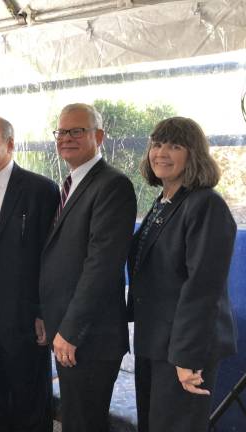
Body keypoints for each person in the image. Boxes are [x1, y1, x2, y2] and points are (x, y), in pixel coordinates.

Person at [128, 116, 237, 432]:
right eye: (157, 144)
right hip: (155, 340)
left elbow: (202, 289)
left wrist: (186, 358)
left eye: (174, 146)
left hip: (183, 349)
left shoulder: (206, 205)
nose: (161, 152)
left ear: (194, 154)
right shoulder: (166, 200)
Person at [39, 103, 137, 432]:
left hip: (89, 337)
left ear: (99, 136)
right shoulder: (73, 183)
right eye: (61, 131)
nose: (66, 138)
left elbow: (102, 266)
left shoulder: (112, 185)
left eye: (76, 131)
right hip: (68, 331)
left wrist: (70, 330)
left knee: (84, 424)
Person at [0, 116, 59, 432]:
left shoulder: (40, 190)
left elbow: (51, 257)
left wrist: (44, 311)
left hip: (22, 317)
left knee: (29, 403)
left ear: (10, 144)